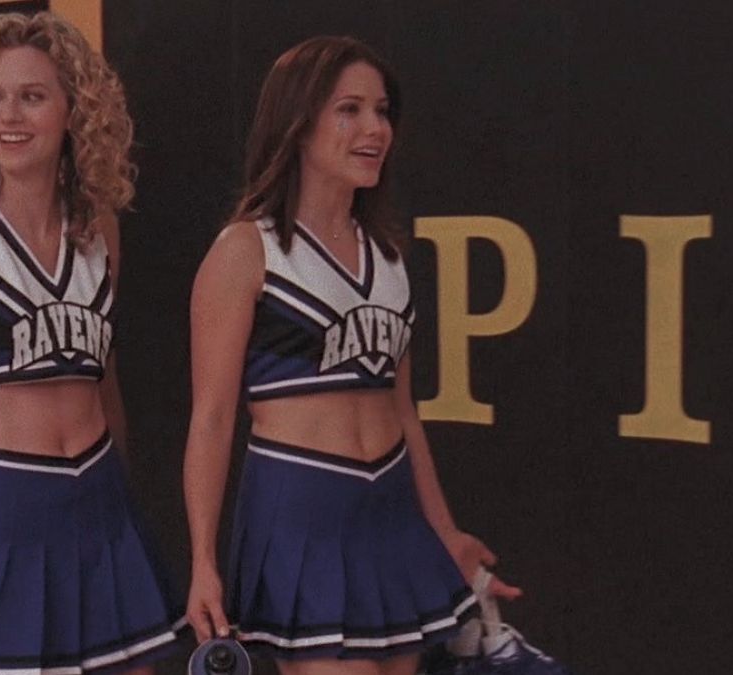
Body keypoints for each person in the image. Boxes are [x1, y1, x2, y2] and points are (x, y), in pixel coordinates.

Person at [182, 36, 521, 675]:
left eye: (382, 111)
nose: (374, 129)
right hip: (301, 514)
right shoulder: (246, 251)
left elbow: (404, 413)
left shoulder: (387, 256)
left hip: (391, 515)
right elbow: (212, 418)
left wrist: (444, 531)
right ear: (297, 123)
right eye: (349, 110)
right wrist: (203, 560)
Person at [0, 12, 186, 675]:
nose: (8, 116)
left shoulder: (99, 230)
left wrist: (121, 507)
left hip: (100, 503)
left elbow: (103, 383)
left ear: (75, 109)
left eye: (32, 96)